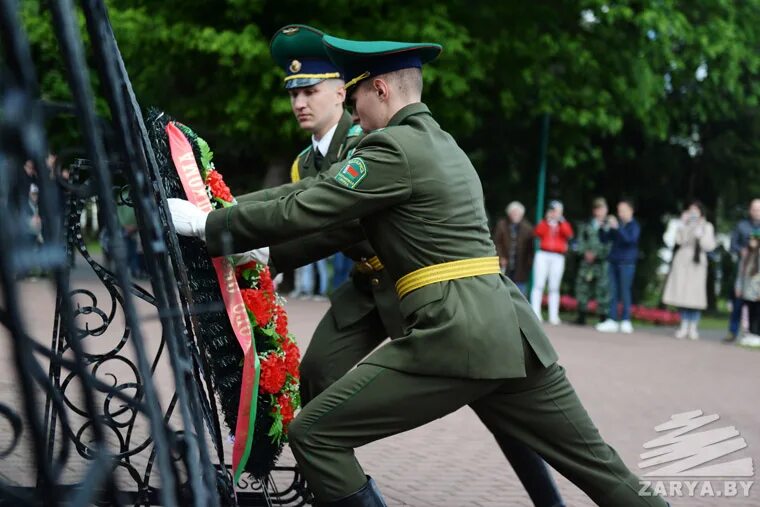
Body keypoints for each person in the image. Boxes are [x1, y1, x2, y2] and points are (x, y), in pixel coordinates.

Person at [168, 34, 667, 507]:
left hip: (457, 332)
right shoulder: (442, 142)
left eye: (356, 92)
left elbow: (305, 207)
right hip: (511, 329)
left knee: (315, 434)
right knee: (602, 468)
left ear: (380, 89)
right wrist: (223, 214)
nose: (353, 107)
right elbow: (298, 196)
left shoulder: (391, 148)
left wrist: (206, 223)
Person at [228, 26, 567, 506]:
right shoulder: (304, 164)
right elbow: (304, 213)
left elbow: (345, 224)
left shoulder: (372, 138)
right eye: (293, 93)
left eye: (310, 90)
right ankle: (331, 483)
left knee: (495, 396)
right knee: (317, 372)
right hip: (368, 287)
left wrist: (267, 250)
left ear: (342, 92)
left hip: (418, 283)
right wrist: (266, 256)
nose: (300, 102)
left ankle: (547, 499)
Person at [661, 201, 717, 340]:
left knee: (696, 295)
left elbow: (709, 246)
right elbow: (679, 241)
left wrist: (700, 234)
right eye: (690, 211)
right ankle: (684, 325)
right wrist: (683, 225)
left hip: (697, 264)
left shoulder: (707, 226)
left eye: (695, 211)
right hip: (683, 262)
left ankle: (693, 326)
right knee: (683, 294)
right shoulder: (684, 224)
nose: (693, 213)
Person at [596, 199, 641, 334]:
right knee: (613, 292)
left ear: (631, 211)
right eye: (619, 210)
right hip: (613, 262)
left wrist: (618, 227)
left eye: (623, 210)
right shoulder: (618, 225)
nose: (620, 213)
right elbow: (604, 239)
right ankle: (612, 320)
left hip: (627, 264)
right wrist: (603, 227)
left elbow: (629, 240)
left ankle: (626, 320)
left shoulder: (634, 226)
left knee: (625, 291)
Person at [530, 200, 573, 324]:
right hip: (543, 254)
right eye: (553, 210)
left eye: (557, 211)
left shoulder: (563, 223)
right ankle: (535, 312)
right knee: (539, 284)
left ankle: (553, 315)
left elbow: (569, 234)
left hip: (558, 256)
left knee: (554, 286)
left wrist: (561, 221)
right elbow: (538, 232)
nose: (555, 213)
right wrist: (547, 221)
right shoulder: (545, 222)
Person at [725, 198, 760, 342]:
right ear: (749, 210)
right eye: (754, 209)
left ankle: (754, 333)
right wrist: (741, 251)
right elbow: (733, 245)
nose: (757, 212)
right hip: (743, 269)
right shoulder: (741, 226)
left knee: (756, 305)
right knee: (738, 302)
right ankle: (732, 332)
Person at [574, 198, 612, 325]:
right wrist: (585, 252)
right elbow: (579, 241)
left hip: (601, 263)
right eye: (599, 209)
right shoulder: (586, 225)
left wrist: (598, 254)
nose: (601, 212)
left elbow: (610, 244)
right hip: (587, 262)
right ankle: (581, 316)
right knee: (582, 288)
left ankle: (603, 318)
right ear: (594, 211)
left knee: (602, 289)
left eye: (603, 209)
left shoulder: (609, 226)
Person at [492, 201, 533, 296]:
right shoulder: (501, 225)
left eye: (518, 213)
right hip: (504, 265)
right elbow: (496, 242)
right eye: (513, 213)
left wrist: (528, 264)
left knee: (520, 293)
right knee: (502, 291)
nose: (515, 215)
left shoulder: (527, 228)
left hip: (521, 267)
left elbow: (530, 249)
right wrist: (500, 257)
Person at [735, 231, 760, 336]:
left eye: (753, 239)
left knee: (757, 314)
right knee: (750, 314)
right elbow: (741, 274)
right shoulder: (747, 255)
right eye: (750, 239)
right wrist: (738, 287)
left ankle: (757, 335)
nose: (751, 241)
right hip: (748, 291)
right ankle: (751, 334)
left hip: (757, 291)